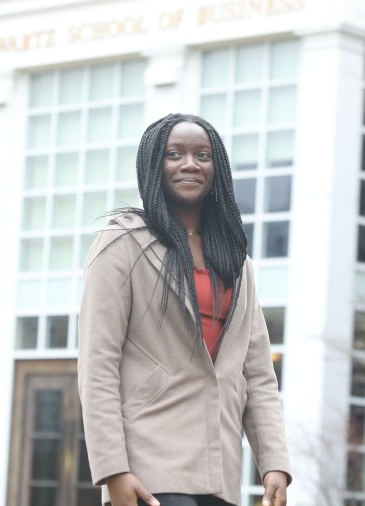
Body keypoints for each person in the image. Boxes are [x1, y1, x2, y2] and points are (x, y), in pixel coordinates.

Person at [77, 113, 291, 506]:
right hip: (149, 461)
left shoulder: (236, 261)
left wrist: (273, 460)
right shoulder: (121, 243)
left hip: (219, 468)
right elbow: (98, 363)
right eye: (175, 154)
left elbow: (257, 372)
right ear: (154, 164)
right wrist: (112, 468)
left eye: (203, 155)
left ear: (218, 168)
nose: (190, 163)